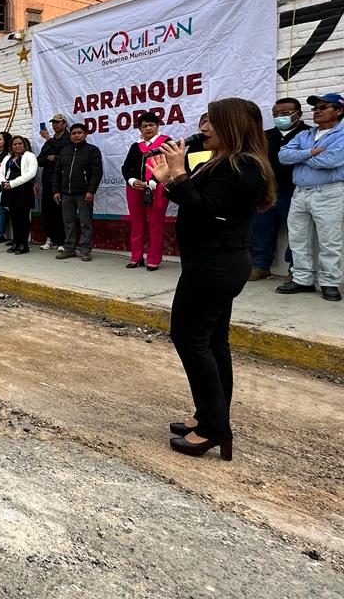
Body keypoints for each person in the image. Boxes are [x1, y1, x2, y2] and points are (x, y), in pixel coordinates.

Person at [151, 97, 275, 461]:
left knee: (189, 337)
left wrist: (177, 175)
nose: (202, 128)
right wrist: (169, 180)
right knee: (212, 340)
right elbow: (197, 202)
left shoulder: (244, 167)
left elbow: (205, 209)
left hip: (217, 265)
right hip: (209, 261)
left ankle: (213, 428)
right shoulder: (224, 161)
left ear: (233, 126)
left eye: (211, 123)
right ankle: (210, 417)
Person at [276, 92, 344, 301]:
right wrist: (310, 152)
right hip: (300, 193)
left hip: (328, 192)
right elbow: (283, 156)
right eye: (315, 108)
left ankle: (329, 282)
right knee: (298, 238)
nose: (317, 111)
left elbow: (331, 160)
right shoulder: (305, 134)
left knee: (329, 240)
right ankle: (303, 280)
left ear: (339, 110)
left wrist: (301, 156)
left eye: (324, 107)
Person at [249, 99, 308, 281]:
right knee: (261, 228)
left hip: (293, 190)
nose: (279, 117)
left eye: (285, 113)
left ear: (298, 113)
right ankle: (260, 265)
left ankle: (294, 269)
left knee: (296, 231)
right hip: (267, 190)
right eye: (275, 114)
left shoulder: (307, 133)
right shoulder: (265, 136)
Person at [121, 112, 171, 271]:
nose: (148, 128)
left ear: (157, 126)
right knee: (136, 224)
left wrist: (154, 181)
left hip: (157, 189)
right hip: (135, 189)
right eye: (144, 126)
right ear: (139, 129)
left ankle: (153, 260)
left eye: (151, 125)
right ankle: (136, 258)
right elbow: (126, 167)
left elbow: (171, 165)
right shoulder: (135, 146)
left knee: (156, 225)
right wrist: (131, 180)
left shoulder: (166, 143)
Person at [53, 122, 103, 261]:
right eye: (74, 133)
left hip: (83, 194)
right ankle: (69, 249)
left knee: (85, 223)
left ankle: (85, 249)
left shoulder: (92, 150)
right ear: (70, 135)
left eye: (79, 133)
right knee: (68, 222)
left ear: (85, 134)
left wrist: (91, 191)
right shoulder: (64, 151)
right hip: (66, 194)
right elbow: (57, 172)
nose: (76, 135)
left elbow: (96, 173)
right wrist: (56, 190)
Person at [0, 136, 38, 254]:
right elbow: (0, 173)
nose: (17, 146)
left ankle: (23, 244)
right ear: (11, 146)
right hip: (9, 189)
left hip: (23, 190)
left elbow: (31, 173)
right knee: (14, 217)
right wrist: (4, 182)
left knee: (23, 218)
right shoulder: (7, 158)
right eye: (15, 144)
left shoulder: (30, 156)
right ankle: (15, 242)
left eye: (20, 144)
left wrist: (12, 183)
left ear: (24, 145)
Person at [37, 114, 70, 249]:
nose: (55, 125)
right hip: (47, 181)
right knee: (47, 212)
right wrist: (48, 159)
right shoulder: (48, 142)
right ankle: (50, 238)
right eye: (53, 123)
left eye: (58, 122)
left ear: (64, 124)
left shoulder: (68, 139)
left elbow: (63, 155)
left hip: (61, 182)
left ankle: (62, 241)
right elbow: (39, 160)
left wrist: (49, 139)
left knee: (60, 212)